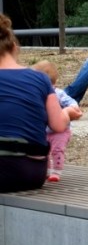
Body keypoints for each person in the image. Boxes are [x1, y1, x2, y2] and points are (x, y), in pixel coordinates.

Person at [0, 15, 70, 192]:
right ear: (14, 47)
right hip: (29, 173)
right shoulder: (40, 79)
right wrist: (68, 113)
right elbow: (58, 125)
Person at [31, 61, 83, 182]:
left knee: (57, 149)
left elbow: (71, 102)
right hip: (44, 130)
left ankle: (56, 171)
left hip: (60, 131)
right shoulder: (36, 94)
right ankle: (46, 170)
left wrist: (72, 109)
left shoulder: (58, 93)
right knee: (43, 151)